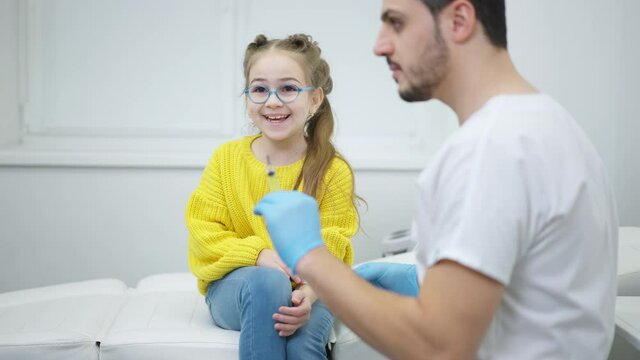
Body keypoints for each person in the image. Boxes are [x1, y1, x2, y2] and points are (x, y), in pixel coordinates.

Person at [254, 0, 619, 359]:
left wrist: (312, 258)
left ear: (459, 20)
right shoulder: (546, 123)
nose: (380, 44)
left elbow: (439, 347)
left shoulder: (490, 149)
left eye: (396, 23)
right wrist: (423, 277)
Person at [186, 33, 359, 360]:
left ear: (315, 99)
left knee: (302, 342)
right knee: (267, 284)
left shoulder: (332, 170)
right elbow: (204, 234)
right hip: (238, 287)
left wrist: (310, 292)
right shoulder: (226, 160)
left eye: (289, 88)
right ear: (248, 97)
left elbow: (334, 243)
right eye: (260, 89)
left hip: (310, 290)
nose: (273, 101)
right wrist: (259, 254)